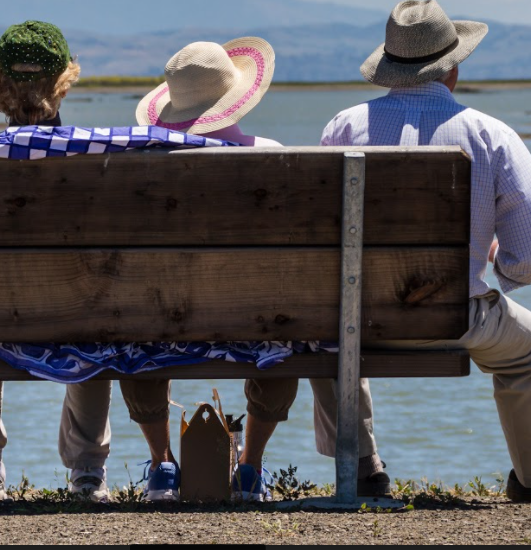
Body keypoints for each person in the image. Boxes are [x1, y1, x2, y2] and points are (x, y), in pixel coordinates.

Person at [320, 0, 531, 502]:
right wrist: (499, 263)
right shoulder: (489, 134)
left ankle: (363, 467)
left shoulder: (343, 128)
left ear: (388, 68)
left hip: (358, 320)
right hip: (455, 316)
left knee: (326, 333)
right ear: (452, 69)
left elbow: (320, 239)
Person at [125, 38, 390, 502]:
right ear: (235, 99)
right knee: (283, 320)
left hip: (164, 326)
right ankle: (249, 469)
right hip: (255, 327)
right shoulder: (273, 155)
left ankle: (163, 466)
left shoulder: (142, 165)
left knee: (132, 323)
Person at [0, 20, 112, 503]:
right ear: (64, 82)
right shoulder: (100, 157)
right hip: (78, 315)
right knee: (95, 313)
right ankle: (87, 471)